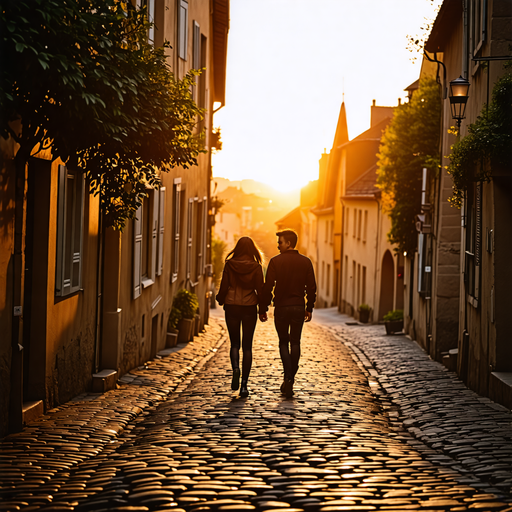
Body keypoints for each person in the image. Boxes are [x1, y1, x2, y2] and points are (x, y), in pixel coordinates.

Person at [260, 229, 316, 398]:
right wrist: (309, 307)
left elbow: (268, 286)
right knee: (296, 342)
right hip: (298, 307)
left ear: (289, 243)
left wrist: (263, 307)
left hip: (282, 308)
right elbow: (311, 287)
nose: (278, 246)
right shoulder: (306, 262)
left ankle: (288, 376)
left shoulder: (275, 262)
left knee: (283, 342)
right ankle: (290, 377)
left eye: (280, 242)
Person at [216, 236, 265, 398]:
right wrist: (262, 309)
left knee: (235, 343)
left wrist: (221, 299)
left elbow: (224, 286)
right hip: (250, 306)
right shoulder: (256, 267)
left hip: (232, 306)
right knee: (248, 346)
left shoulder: (230, 265)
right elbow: (261, 290)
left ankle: (235, 368)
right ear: (252, 250)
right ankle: (244, 384)